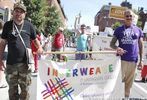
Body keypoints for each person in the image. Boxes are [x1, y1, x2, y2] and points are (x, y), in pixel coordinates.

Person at [0, 2, 43, 100]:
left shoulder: (29, 25)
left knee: (25, 90)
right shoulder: (7, 25)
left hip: (25, 64)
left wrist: (40, 47)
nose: (18, 13)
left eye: (21, 12)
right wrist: (0, 59)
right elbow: (2, 43)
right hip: (11, 64)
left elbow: (35, 40)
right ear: (13, 12)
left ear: (25, 14)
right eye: (16, 11)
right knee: (12, 90)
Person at [110, 9, 144, 99]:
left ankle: (126, 98)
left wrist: (141, 61)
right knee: (118, 83)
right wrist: (118, 48)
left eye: (130, 16)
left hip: (133, 60)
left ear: (133, 17)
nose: (129, 17)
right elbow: (111, 44)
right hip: (121, 61)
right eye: (127, 16)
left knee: (129, 84)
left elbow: (141, 46)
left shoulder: (138, 30)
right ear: (124, 17)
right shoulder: (118, 30)